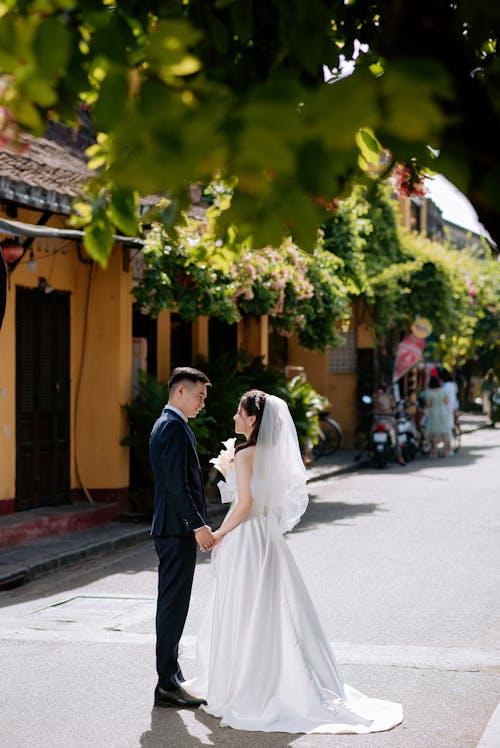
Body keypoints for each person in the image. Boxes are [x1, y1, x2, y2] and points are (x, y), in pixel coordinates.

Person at [185, 390, 403, 734]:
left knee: (245, 607)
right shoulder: (272, 452)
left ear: (253, 420)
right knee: (271, 607)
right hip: (267, 536)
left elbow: (243, 505)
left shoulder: (245, 455)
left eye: (239, 413)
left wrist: (218, 534)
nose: (234, 418)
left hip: (246, 535)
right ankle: (278, 676)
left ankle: (246, 683)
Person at [149, 366, 213, 709]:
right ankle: (165, 683)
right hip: (176, 529)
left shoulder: (170, 424)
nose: (202, 403)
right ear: (180, 392)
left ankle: (171, 676)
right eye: (199, 395)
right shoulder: (172, 427)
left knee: (174, 605)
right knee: (173, 606)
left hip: (173, 528)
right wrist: (198, 525)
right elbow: (176, 485)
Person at [373, 383, 405, 465]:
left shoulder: (375, 396)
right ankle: (399, 457)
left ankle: (361, 453)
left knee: (370, 435)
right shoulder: (389, 396)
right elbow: (393, 406)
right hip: (389, 418)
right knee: (396, 437)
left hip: (377, 418)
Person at [423, 375, 450, 458]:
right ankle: (445, 452)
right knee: (444, 432)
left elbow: (427, 404)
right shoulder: (443, 390)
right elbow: (446, 401)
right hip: (443, 411)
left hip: (434, 412)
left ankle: (435, 452)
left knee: (435, 433)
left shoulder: (429, 392)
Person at [439, 368, 459, 442]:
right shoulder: (453, 385)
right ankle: (449, 448)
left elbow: (443, 398)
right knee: (449, 428)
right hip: (453, 407)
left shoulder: (445, 386)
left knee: (446, 430)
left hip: (446, 409)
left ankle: (447, 448)